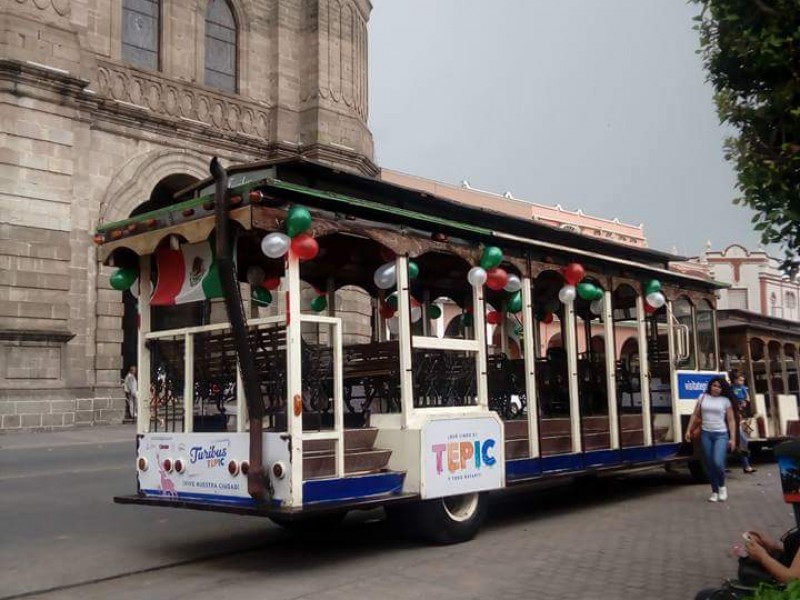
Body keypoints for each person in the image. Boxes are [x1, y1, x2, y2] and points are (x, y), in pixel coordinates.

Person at [694, 528, 800, 599]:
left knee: (706, 596)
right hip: (778, 588)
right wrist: (774, 547)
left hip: (782, 593)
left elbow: (792, 580)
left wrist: (763, 557)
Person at [684, 376, 737, 502]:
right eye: (714, 385)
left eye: (719, 387)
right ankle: (714, 491)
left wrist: (733, 438)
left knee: (718, 462)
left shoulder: (725, 401)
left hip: (721, 435)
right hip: (706, 434)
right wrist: (688, 430)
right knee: (709, 465)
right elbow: (695, 414)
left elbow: (731, 420)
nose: (716, 388)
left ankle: (722, 487)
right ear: (710, 386)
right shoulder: (702, 397)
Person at [731, 372, 757, 474]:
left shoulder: (743, 389)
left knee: (743, 441)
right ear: (735, 380)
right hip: (734, 419)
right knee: (742, 441)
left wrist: (744, 403)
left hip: (740, 417)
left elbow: (747, 399)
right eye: (740, 380)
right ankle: (746, 466)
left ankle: (746, 465)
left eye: (743, 380)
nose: (742, 382)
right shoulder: (732, 389)